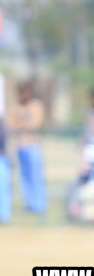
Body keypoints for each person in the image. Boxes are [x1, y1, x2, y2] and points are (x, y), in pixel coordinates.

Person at [6, 82, 47, 215]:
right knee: (24, 176)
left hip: (32, 146)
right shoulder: (16, 107)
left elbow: (34, 124)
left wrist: (20, 123)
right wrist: (22, 124)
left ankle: (39, 204)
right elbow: (10, 124)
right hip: (20, 146)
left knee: (36, 176)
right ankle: (29, 203)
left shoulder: (36, 106)